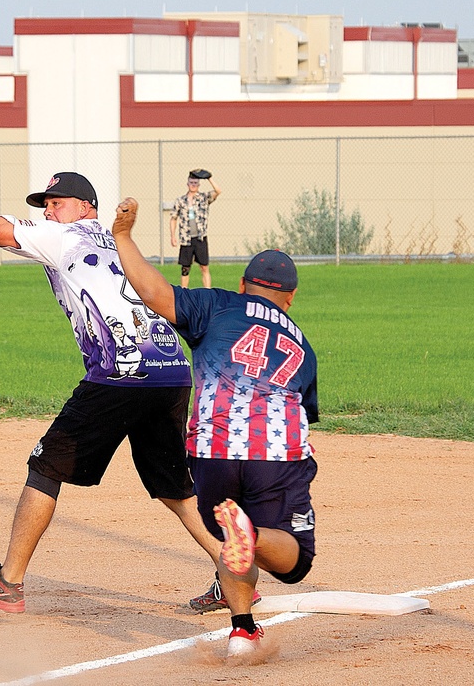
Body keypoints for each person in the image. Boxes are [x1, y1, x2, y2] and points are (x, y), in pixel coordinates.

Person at [0, 172, 233, 614]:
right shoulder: (120, 241)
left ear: (85, 207)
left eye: (56, 202)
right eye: (46, 204)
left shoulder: (66, 237)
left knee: (46, 467)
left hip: (120, 373)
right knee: (174, 486)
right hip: (172, 371)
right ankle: (231, 567)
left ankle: (8, 582)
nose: (47, 211)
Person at [113, 197, 319, 659]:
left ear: (244, 285)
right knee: (294, 559)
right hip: (273, 450)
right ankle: (256, 536)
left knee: (231, 536)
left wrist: (124, 237)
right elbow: (301, 414)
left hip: (211, 447)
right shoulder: (302, 344)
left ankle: (243, 629)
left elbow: (152, 291)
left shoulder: (218, 305)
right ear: (290, 298)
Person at [170, 169, 222, 288]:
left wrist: (209, 178)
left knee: (204, 266)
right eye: (191, 183)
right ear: (187, 184)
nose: (193, 185)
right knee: (185, 268)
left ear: (199, 184)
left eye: (195, 183)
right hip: (186, 238)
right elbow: (173, 218)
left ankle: (208, 292)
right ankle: (184, 292)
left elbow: (218, 191)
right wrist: (172, 236)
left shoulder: (203, 198)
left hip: (200, 237)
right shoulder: (180, 201)